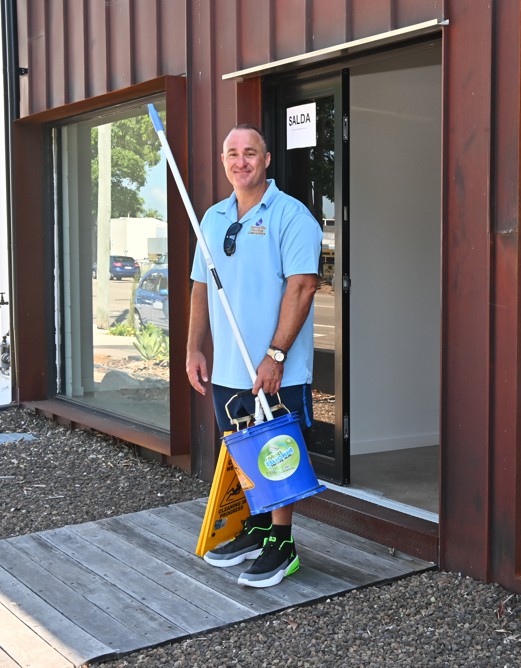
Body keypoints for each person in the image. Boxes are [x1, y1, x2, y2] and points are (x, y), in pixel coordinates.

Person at [187, 123, 323, 588]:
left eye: (250, 152)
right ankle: (258, 529)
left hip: (273, 368)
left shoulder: (292, 216)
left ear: (266, 159)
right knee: (243, 452)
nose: (240, 160)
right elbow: (201, 288)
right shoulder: (212, 218)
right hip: (227, 366)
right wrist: (193, 348)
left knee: (276, 453)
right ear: (223, 160)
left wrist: (276, 354)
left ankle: (282, 547)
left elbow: (303, 286)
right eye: (232, 153)